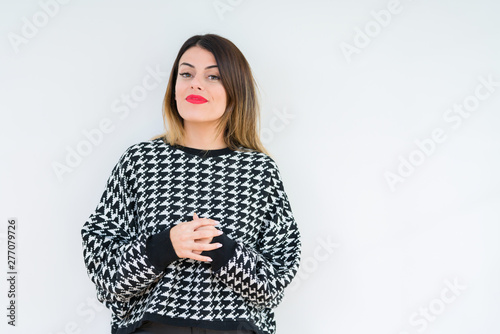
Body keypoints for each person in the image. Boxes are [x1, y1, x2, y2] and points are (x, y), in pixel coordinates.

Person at [81, 33, 301, 334]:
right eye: (186, 74)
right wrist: (165, 246)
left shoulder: (259, 171)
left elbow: (273, 285)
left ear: (235, 91)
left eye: (213, 76)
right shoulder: (140, 161)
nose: (195, 83)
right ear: (174, 88)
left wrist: (221, 249)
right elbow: (107, 277)